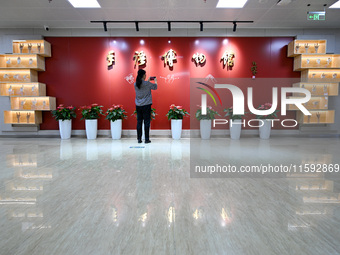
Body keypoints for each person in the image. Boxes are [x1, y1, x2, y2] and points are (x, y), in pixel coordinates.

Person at [134, 69, 158, 144]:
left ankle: (139, 139)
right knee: (147, 122)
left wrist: (147, 81)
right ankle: (146, 139)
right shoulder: (147, 84)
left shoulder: (135, 84)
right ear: (143, 75)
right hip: (146, 105)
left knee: (139, 122)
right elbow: (155, 87)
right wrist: (155, 81)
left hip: (138, 105)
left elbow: (143, 86)